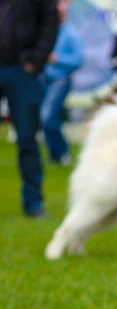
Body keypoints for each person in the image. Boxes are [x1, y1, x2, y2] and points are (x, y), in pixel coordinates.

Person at [0, 0, 58, 218]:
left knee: (26, 138)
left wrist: (36, 61)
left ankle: (33, 203)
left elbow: (50, 20)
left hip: (21, 69)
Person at [40, 0, 84, 166]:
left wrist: (58, 59)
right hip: (44, 78)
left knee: (47, 115)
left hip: (60, 79)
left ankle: (62, 151)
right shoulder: (46, 32)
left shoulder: (71, 34)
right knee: (47, 117)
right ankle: (55, 153)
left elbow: (78, 59)